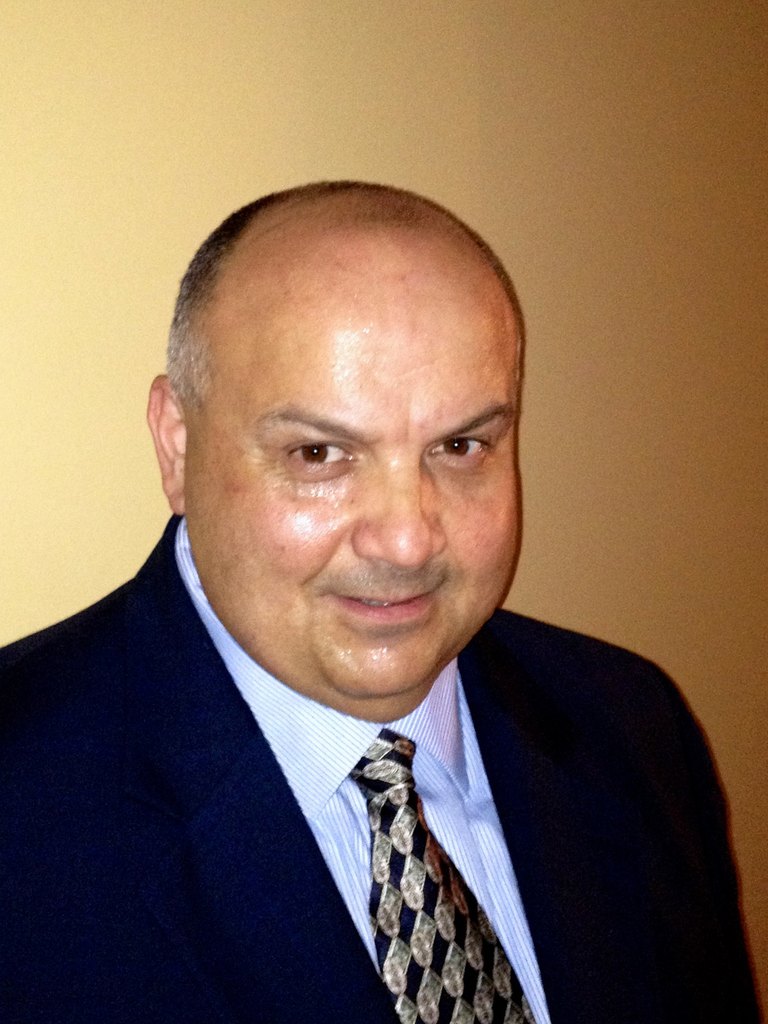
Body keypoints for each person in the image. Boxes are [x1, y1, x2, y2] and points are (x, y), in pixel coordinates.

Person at [0, 182, 758, 1024]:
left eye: (461, 445)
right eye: (320, 454)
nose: (406, 541)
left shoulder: (633, 726)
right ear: (177, 446)